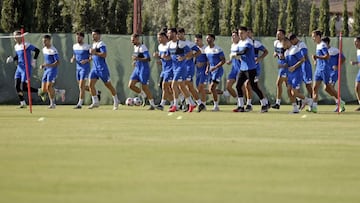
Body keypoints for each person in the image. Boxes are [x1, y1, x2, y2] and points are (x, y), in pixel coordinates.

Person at [232, 26, 269, 113]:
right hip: (243, 68)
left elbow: (244, 51)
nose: (240, 35)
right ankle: (240, 106)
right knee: (238, 86)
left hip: (251, 68)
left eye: (242, 33)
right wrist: (235, 55)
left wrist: (236, 54)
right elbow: (238, 53)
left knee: (254, 87)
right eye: (239, 33)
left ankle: (264, 104)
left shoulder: (249, 42)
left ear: (246, 33)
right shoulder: (240, 42)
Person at [310, 30, 345, 113]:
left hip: (324, 69)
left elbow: (327, 56)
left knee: (328, 87)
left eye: (314, 36)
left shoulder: (322, 45)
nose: (313, 38)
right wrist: (316, 60)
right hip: (318, 69)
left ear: (318, 36)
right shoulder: (318, 45)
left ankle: (340, 101)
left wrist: (317, 57)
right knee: (314, 88)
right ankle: (314, 107)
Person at [6, 30, 40, 108]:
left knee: (24, 87)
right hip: (19, 68)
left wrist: (34, 60)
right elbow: (18, 56)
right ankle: (23, 103)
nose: (15, 38)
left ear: (21, 37)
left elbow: (37, 50)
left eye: (17, 36)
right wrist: (12, 59)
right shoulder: (16, 46)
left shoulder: (26, 44)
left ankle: (39, 91)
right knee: (17, 86)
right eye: (14, 36)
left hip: (26, 68)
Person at [88, 29, 119, 110]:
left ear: (98, 35)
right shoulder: (93, 44)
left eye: (94, 34)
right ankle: (95, 102)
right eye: (92, 34)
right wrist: (89, 58)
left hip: (102, 68)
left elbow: (104, 54)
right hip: (94, 68)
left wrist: (95, 53)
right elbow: (94, 56)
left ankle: (116, 100)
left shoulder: (101, 44)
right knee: (91, 85)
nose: (93, 36)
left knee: (108, 85)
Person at [166, 28, 196, 112]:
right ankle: (192, 103)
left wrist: (183, 57)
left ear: (174, 34)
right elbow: (169, 56)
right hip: (174, 68)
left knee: (173, 85)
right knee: (182, 86)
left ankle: (175, 105)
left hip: (181, 68)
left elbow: (190, 52)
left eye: (169, 33)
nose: (168, 35)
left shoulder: (181, 44)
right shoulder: (169, 44)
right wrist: (163, 57)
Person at [70, 32, 101, 109]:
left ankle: (79, 104)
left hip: (85, 68)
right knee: (81, 86)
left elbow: (91, 57)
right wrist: (73, 58)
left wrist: (86, 60)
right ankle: (96, 92)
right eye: (76, 37)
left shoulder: (87, 47)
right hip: (78, 68)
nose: (77, 39)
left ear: (82, 38)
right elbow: (74, 55)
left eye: (79, 37)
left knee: (81, 86)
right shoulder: (74, 46)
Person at [281, 38, 312, 113]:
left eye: (284, 45)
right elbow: (287, 64)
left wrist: (294, 67)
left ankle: (308, 100)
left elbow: (302, 60)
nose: (283, 46)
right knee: (289, 90)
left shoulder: (295, 49)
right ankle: (295, 108)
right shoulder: (286, 52)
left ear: (288, 42)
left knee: (294, 92)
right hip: (290, 74)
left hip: (297, 73)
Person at [128, 33, 156, 110]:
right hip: (137, 69)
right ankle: (143, 95)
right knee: (131, 85)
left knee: (145, 87)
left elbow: (148, 59)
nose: (132, 42)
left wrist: (137, 59)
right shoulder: (135, 47)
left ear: (137, 39)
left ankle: (152, 104)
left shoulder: (142, 47)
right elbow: (138, 58)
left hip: (144, 69)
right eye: (131, 40)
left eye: (133, 40)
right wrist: (135, 62)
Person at [177, 28, 202, 111]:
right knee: (188, 87)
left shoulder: (189, 44)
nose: (178, 36)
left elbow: (199, 51)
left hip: (189, 67)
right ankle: (197, 103)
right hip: (181, 67)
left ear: (184, 34)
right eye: (177, 34)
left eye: (180, 34)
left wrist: (191, 56)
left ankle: (191, 103)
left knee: (184, 85)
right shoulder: (177, 44)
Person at [39, 34, 66, 109]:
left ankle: (52, 104)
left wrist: (48, 65)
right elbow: (46, 60)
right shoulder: (44, 49)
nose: (44, 43)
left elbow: (57, 63)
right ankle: (60, 92)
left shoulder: (53, 50)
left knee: (48, 87)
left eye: (45, 41)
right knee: (44, 90)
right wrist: (44, 65)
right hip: (46, 70)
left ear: (49, 41)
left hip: (53, 70)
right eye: (43, 41)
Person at [245, 28, 269, 111]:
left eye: (249, 33)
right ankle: (265, 102)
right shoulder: (244, 44)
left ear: (252, 34)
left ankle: (249, 104)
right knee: (253, 85)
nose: (247, 34)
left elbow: (266, 51)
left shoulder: (256, 43)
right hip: (247, 68)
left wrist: (259, 58)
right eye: (246, 33)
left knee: (249, 84)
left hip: (255, 68)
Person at [288, 33, 313, 110]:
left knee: (308, 85)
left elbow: (304, 57)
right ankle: (303, 101)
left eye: (291, 41)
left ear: (294, 39)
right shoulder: (293, 47)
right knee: (296, 87)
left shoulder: (302, 45)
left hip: (305, 67)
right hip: (298, 68)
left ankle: (313, 103)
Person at [322, 36, 346, 112]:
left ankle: (339, 104)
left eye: (323, 43)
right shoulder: (323, 51)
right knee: (326, 88)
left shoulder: (334, 50)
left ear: (327, 43)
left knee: (330, 86)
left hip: (333, 72)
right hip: (327, 72)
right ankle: (339, 101)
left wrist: (338, 66)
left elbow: (343, 58)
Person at [204, 34, 225, 111]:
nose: (207, 40)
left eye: (209, 38)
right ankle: (223, 93)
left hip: (218, 71)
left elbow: (223, 60)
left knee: (212, 87)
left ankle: (216, 106)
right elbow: (208, 61)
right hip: (211, 71)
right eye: (206, 38)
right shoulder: (206, 49)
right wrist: (207, 68)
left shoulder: (218, 49)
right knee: (211, 89)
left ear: (213, 39)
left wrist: (215, 67)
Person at [153, 31, 173, 110]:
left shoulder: (170, 46)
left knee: (165, 85)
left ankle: (162, 104)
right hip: (164, 69)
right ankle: (174, 103)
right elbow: (164, 58)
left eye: (160, 37)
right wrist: (160, 60)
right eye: (158, 38)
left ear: (165, 37)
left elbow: (171, 57)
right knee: (163, 86)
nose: (159, 39)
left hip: (171, 68)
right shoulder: (160, 46)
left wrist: (160, 56)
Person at [272, 29, 289, 109]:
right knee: (288, 84)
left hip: (285, 65)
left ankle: (277, 103)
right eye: (277, 34)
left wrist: (285, 56)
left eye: (279, 34)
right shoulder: (276, 43)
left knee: (278, 83)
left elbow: (290, 53)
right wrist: (275, 54)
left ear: (283, 35)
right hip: (280, 64)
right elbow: (276, 51)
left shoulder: (286, 43)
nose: (277, 36)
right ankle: (298, 99)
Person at [225, 30, 240, 105]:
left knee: (241, 87)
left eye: (235, 36)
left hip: (241, 68)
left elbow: (242, 56)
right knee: (228, 86)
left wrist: (237, 56)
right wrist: (230, 61)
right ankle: (238, 100)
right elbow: (232, 57)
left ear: (238, 37)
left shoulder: (241, 45)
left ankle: (247, 103)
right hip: (234, 68)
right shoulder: (232, 45)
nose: (233, 37)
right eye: (232, 36)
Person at [194, 34, 208, 112]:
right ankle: (203, 104)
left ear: (201, 40)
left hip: (204, 71)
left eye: (197, 40)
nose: (196, 42)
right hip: (197, 71)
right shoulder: (195, 49)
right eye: (195, 40)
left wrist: (204, 64)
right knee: (200, 89)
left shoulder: (205, 49)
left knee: (200, 87)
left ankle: (201, 104)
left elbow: (209, 60)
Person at [350, 36, 360, 111]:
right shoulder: (358, 51)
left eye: (356, 42)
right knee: (357, 87)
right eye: (354, 42)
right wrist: (355, 63)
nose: (355, 43)